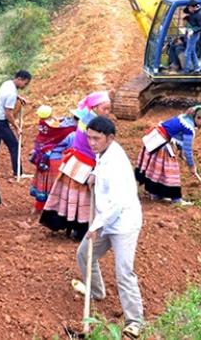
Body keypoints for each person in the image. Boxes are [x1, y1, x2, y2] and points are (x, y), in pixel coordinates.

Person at [73, 116, 144, 339]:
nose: (92, 143)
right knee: (84, 254)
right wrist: (94, 173)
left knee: (124, 272)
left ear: (110, 138)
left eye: (97, 139)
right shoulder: (103, 153)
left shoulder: (117, 163)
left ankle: (135, 321)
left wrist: (95, 226)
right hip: (105, 218)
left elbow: (118, 203)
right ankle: (96, 291)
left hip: (123, 222)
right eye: (89, 138)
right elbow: (99, 163)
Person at [40, 91, 111, 241]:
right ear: (95, 107)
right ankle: (81, 231)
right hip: (85, 167)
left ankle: (68, 226)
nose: (107, 113)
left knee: (70, 197)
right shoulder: (95, 124)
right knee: (84, 200)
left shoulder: (86, 117)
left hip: (75, 163)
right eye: (105, 109)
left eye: (109, 109)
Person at [135, 105, 201, 205]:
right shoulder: (189, 128)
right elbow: (188, 150)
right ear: (197, 117)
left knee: (157, 169)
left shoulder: (183, 118)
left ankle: (157, 194)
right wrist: (191, 166)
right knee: (171, 171)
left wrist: (180, 150)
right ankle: (176, 199)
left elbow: (175, 134)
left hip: (155, 139)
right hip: (161, 143)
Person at [29, 105, 77, 214]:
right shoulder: (70, 132)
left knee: (43, 183)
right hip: (55, 161)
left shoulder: (44, 127)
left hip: (42, 159)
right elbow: (70, 148)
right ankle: (51, 211)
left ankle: (37, 208)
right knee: (54, 186)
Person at [0, 70, 32, 178]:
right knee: (14, 146)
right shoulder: (11, 94)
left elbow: (9, 94)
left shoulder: (8, 84)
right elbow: (8, 114)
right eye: (25, 83)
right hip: (0, 122)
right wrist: (17, 127)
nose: (25, 86)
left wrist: (19, 97)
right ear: (19, 79)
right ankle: (18, 173)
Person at [182, 0, 201, 74]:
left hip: (193, 35)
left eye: (191, 8)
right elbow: (185, 11)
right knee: (192, 52)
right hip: (190, 32)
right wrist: (189, 7)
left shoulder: (199, 15)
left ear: (195, 7)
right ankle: (197, 67)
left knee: (187, 52)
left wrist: (193, 31)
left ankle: (186, 69)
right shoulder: (191, 11)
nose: (189, 10)